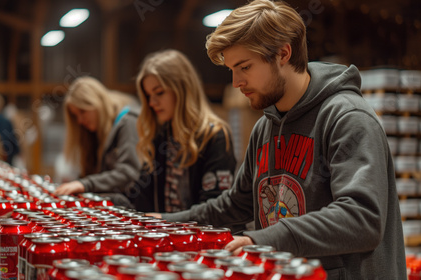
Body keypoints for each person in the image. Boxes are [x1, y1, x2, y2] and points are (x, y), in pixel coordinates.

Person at [154, 1, 406, 279]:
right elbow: (236, 205)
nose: (236, 82)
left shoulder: (348, 117)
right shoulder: (265, 127)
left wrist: (262, 240)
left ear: (283, 53)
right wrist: (164, 222)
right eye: (232, 70)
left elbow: (362, 219)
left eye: (245, 67)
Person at [129, 49, 237, 214]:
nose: (152, 103)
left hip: (200, 237)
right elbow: (139, 198)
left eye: (159, 92)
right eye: (148, 95)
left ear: (182, 89)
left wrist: (165, 221)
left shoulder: (215, 136)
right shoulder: (161, 135)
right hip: (165, 235)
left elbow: (214, 209)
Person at [53, 76, 141, 207]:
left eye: (83, 111)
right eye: (76, 115)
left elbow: (128, 172)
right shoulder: (95, 131)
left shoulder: (128, 122)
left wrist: (85, 184)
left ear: (97, 103)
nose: (80, 121)